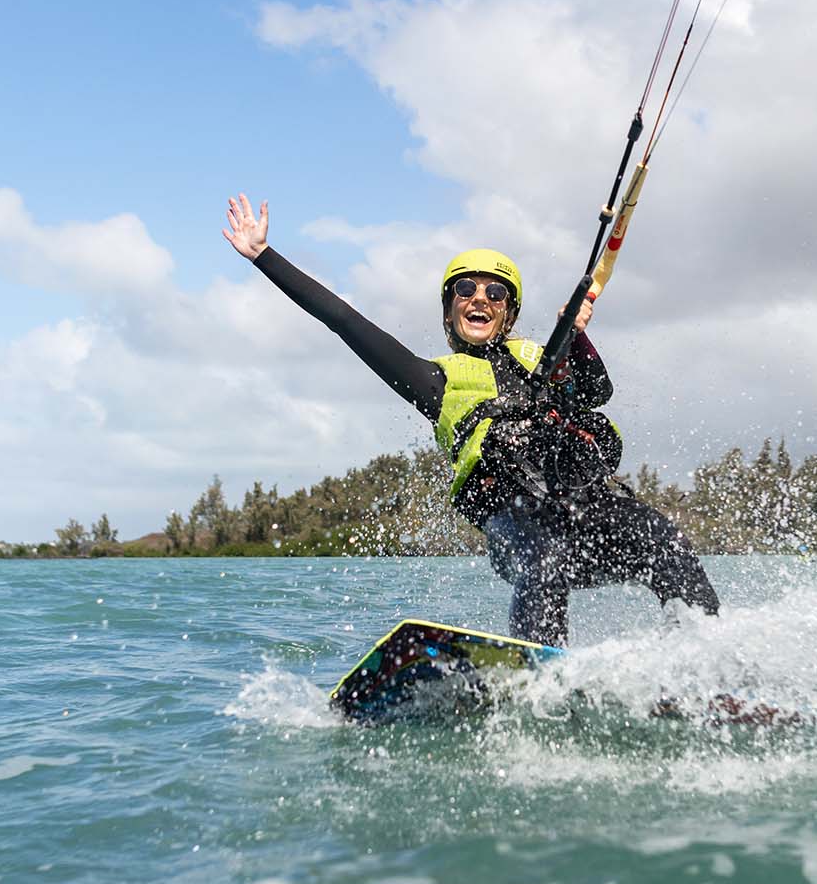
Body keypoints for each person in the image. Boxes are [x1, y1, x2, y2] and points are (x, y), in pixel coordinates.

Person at [223, 194, 719, 647]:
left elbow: (595, 393)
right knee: (545, 560)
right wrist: (265, 257)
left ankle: (704, 657)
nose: (480, 298)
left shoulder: (544, 358)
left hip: (584, 509)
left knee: (664, 540)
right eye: (466, 288)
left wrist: (576, 336)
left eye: (495, 293)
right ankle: (543, 670)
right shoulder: (433, 382)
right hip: (516, 526)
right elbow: (346, 322)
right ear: (449, 308)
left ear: (509, 312)